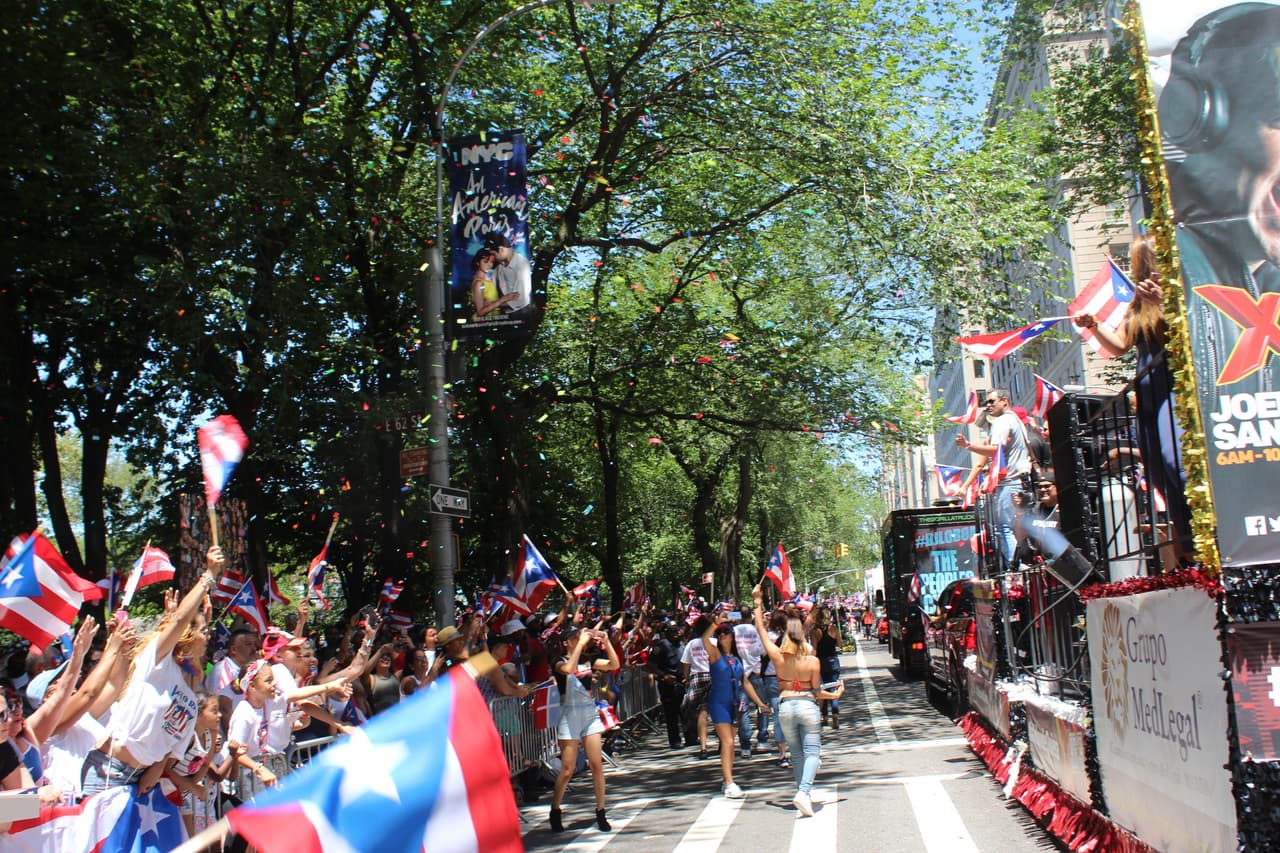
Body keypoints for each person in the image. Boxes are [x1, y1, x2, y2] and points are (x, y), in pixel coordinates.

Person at [1072, 236, 1191, 556]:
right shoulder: (1137, 305)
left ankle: (1211, 532)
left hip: (1173, 390)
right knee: (1160, 473)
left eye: (1148, 262)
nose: (1146, 271)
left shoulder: (1181, 293)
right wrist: (1093, 325)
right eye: (1143, 265)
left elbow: (1192, 328)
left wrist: (1166, 302)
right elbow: (1120, 346)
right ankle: (1189, 549)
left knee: (1175, 461)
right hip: (1147, 397)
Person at [81, 546, 225, 795]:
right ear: (186, 634)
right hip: (109, 772)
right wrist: (208, 575)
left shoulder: (190, 684)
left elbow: (170, 743)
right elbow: (180, 619)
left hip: (142, 780)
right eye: (203, 629)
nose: (209, 634)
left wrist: (157, 767)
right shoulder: (157, 661)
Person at [752, 584, 844, 817]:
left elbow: (761, 632)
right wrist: (834, 695)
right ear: (802, 635)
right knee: (812, 752)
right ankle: (803, 793)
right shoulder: (812, 661)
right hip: (806, 704)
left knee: (796, 754)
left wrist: (757, 602)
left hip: (785, 705)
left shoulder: (777, 657)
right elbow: (815, 692)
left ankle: (802, 794)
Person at [549, 627, 620, 833]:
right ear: (566, 642)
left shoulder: (588, 661)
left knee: (596, 765)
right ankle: (555, 809)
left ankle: (600, 810)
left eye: (578, 636)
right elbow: (568, 669)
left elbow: (614, 664)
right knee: (567, 769)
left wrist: (607, 643)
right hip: (569, 714)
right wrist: (579, 644)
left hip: (588, 713)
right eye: (572, 638)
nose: (577, 639)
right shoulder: (558, 661)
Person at [956, 389, 1034, 566]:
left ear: (1004, 401)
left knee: (1004, 528)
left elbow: (996, 450)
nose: (988, 405)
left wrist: (967, 445)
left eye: (992, 401)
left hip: (1010, 483)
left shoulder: (1003, 421)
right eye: (987, 402)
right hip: (1020, 482)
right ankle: (1020, 566)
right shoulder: (1016, 420)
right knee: (1017, 528)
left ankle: (1017, 568)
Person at [702, 614, 767, 799]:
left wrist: (760, 703)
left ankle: (727, 779)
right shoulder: (715, 655)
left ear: (732, 636)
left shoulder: (737, 660)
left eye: (726, 632)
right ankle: (730, 783)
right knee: (728, 742)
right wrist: (715, 623)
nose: (722, 635)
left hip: (735, 703)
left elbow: (745, 682)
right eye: (720, 633)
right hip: (719, 703)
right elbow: (705, 640)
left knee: (730, 745)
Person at [483, 232, 535, 322]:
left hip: (521, 314)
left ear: (502, 249)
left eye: (494, 254)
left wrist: (494, 304)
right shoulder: (499, 268)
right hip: (503, 316)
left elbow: (520, 299)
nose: (493, 258)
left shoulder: (521, 264)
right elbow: (491, 292)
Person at [810, 607, 842, 729]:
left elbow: (814, 648)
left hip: (820, 661)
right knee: (833, 689)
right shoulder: (833, 629)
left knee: (822, 689)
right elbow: (840, 644)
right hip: (833, 660)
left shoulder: (815, 631)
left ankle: (824, 717)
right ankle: (835, 715)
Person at [471, 249, 517, 319]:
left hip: (497, 321)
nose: (489, 265)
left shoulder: (492, 279)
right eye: (485, 262)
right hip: (483, 324)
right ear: (477, 263)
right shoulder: (479, 283)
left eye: (491, 262)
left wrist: (511, 300)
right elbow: (480, 312)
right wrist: (502, 300)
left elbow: (495, 304)